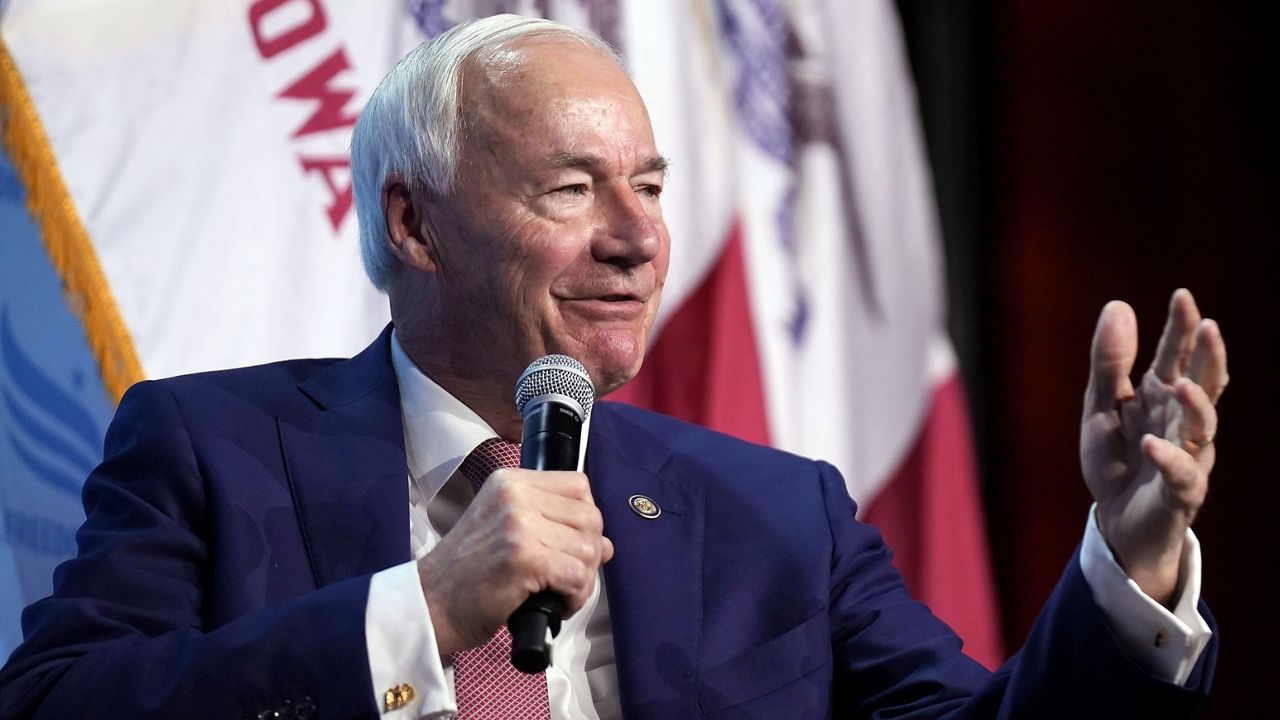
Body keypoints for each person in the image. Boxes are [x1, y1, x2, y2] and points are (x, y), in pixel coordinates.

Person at [0, 14, 1225, 720]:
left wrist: (1130, 561)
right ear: (416, 225)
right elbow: (56, 706)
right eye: (570, 189)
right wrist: (420, 610)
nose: (637, 238)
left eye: (647, 187)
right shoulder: (211, 449)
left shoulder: (773, 513)